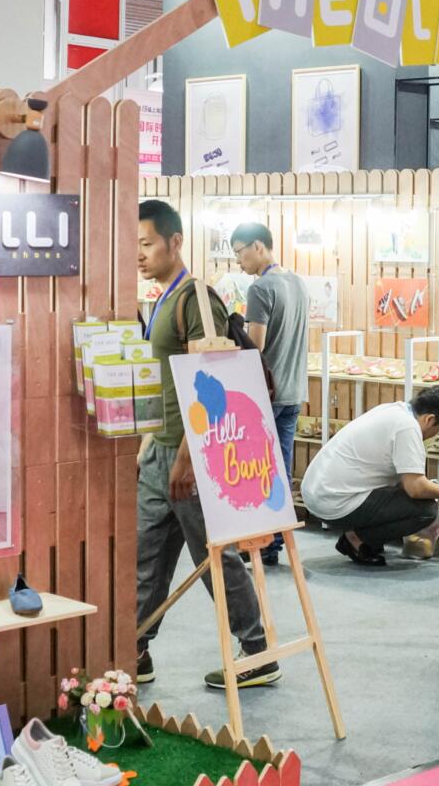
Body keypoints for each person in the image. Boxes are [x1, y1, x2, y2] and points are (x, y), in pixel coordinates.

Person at [134, 200, 276, 690]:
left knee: (215, 558)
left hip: (190, 457)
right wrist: (153, 445)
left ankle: (257, 651)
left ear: (175, 242)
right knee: (145, 556)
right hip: (160, 453)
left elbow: (212, 383)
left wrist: (188, 456)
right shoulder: (163, 299)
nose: (140, 254)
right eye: (134, 245)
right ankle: (136, 648)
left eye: (147, 243)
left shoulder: (195, 298)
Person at [231, 222, 309, 567]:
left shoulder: (261, 288)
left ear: (258, 247)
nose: (238, 261)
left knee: (257, 470)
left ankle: (262, 542)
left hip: (266, 396)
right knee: (281, 469)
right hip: (294, 393)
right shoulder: (298, 283)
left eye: (240, 252)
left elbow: (255, 347)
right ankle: (273, 543)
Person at [301, 387, 439, 566]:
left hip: (317, 492)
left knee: (402, 495)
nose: (436, 435)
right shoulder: (408, 427)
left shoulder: (394, 410)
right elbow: (416, 488)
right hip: (333, 501)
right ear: (429, 419)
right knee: (425, 511)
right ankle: (356, 540)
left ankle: (366, 537)